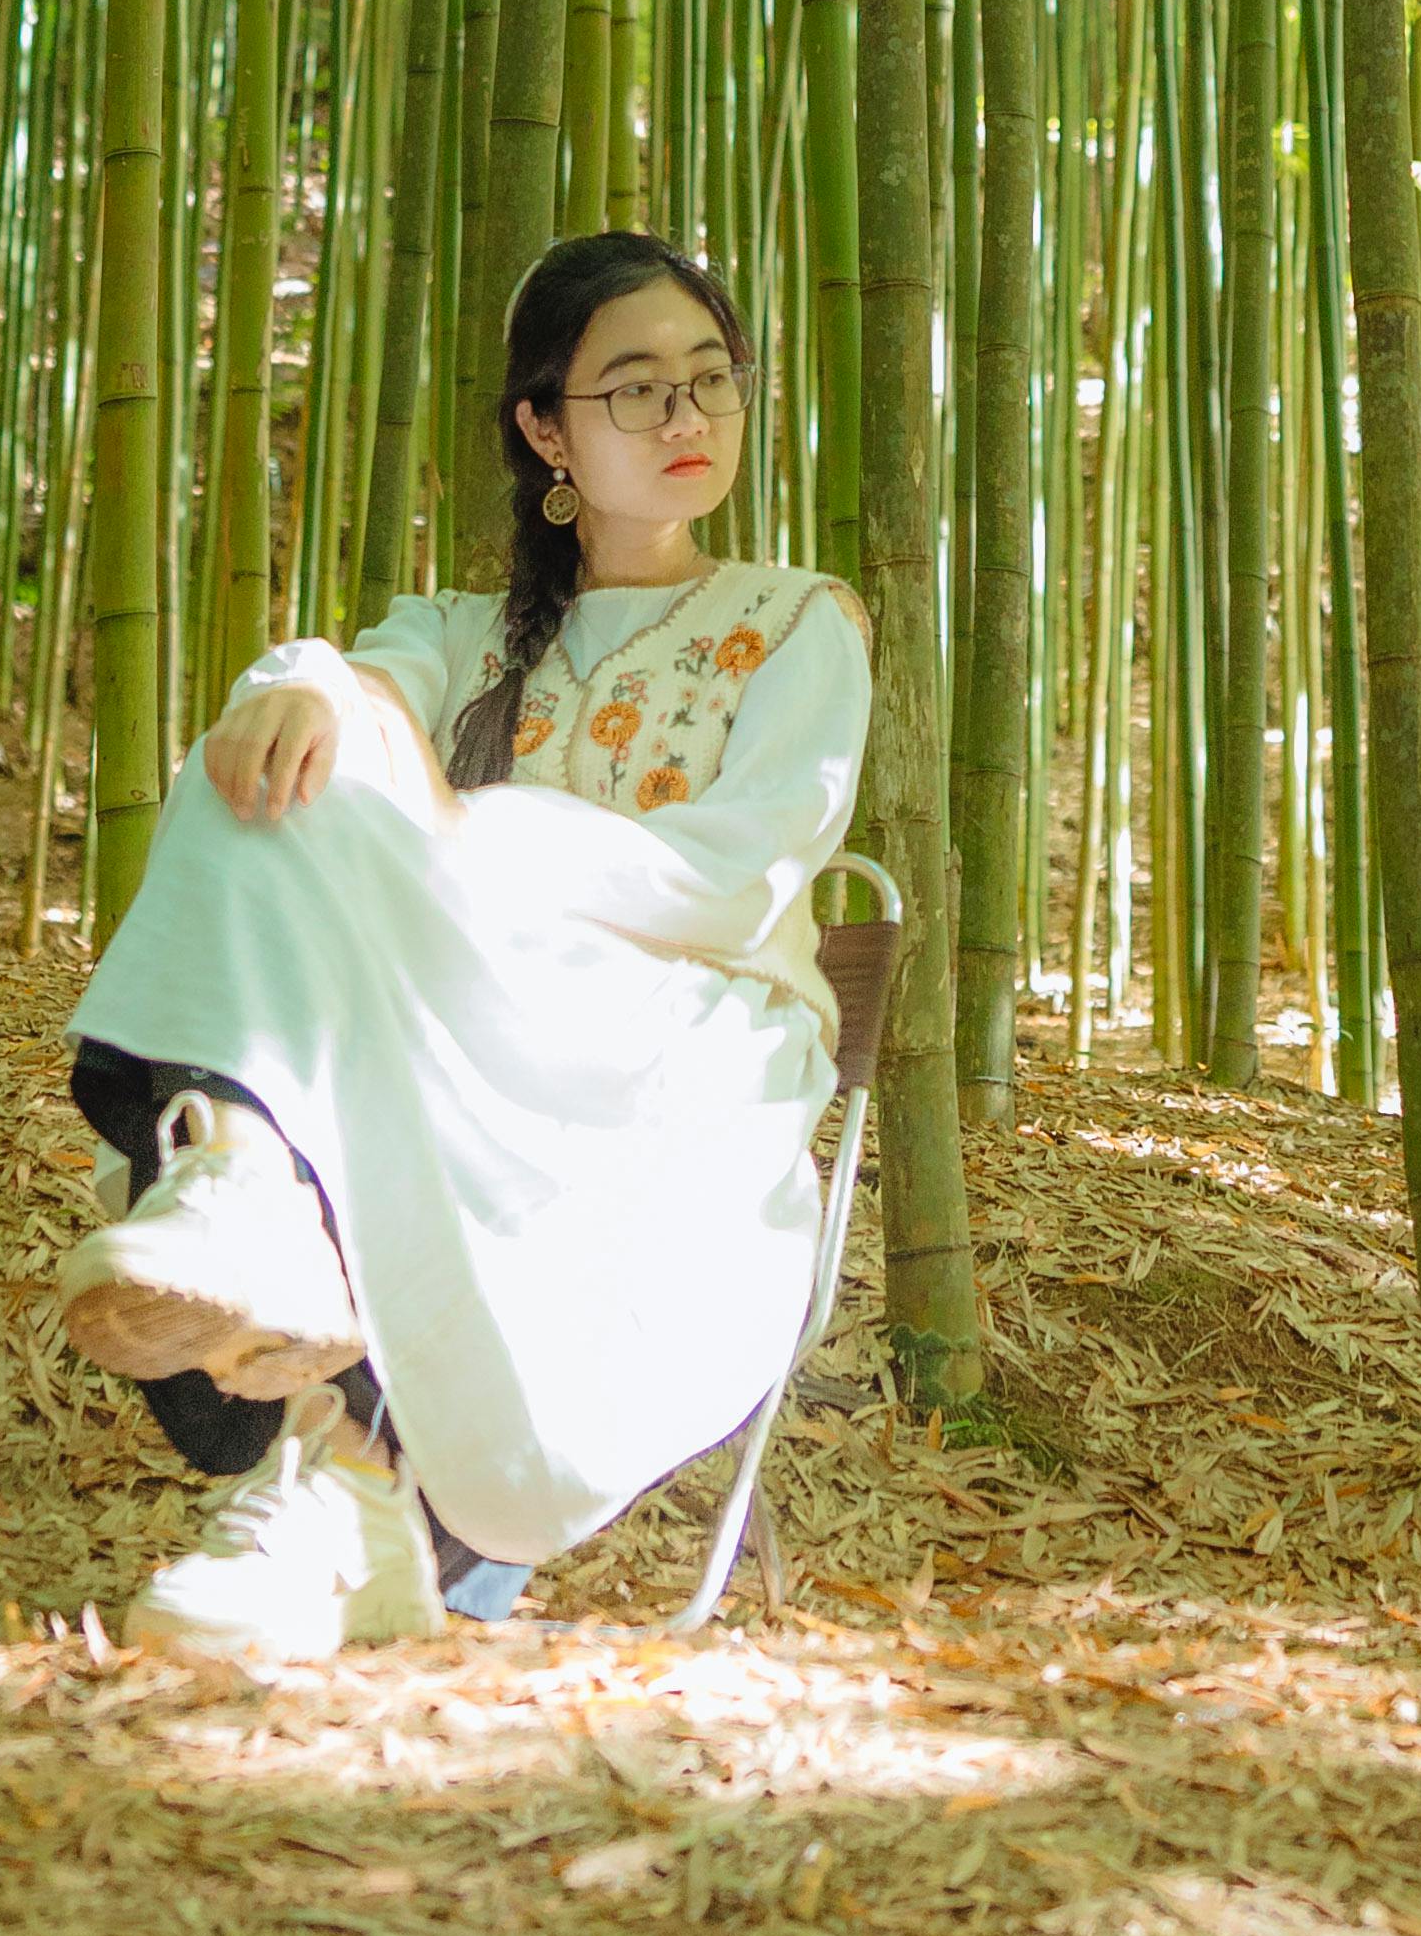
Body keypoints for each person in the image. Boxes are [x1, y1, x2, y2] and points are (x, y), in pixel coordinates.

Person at [56, 228, 871, 1667]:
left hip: (690, 1039)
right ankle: (254, 1203)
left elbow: (743, 870)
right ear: (544, 428)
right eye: (634, 388)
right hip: (462, 1020)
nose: (685, 418)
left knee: (356, 813)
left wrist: (468, 841)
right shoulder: (469, 632)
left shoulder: (796, 622)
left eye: (709, 379)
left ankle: (333, 1471)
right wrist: (307, 688)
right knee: (268, 757)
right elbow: (369, 682)